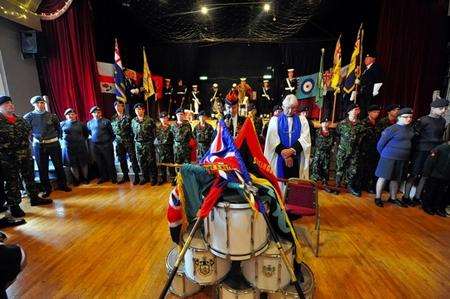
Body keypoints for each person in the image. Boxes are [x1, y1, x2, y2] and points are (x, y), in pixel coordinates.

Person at [402, 98, 449, 205]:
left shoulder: (443, 121)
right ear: (433, 108)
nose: (443, 111)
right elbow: (414, 137)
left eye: (445, 109)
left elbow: (441, 136)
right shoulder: (422, 120)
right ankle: (406, 196)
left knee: (425, 175)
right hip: (421, 151)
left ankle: (417, 197)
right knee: (414, 173)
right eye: (441, 108)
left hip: (434, 151)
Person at [24, 96, 71, 197]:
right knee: (42, 168)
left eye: (42, 103)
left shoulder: (52, 116)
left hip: (53, 143)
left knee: (59, 165)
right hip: (39, 145)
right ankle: (47, 189)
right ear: (33, 105)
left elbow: (58, 129)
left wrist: (56, 138)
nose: (41, 105)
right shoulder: (29, 117)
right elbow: (26, 130)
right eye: (38, 103)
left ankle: (63, 185)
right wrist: (33, 139)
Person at [264, 94, 311, 182]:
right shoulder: (275, 120)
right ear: (282, 106)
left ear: (297, 107)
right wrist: (285, 155)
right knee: (280, 183)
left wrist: (291, 151)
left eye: (293, 108)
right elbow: (272, 140)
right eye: (287, 107)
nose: (289, 111)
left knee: (295, 184)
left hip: (296, 157)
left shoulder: (302, 120)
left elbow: (305, 139)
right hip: (279, 157)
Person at [374, 108, 415, 207]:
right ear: (399, 118)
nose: (409, 119)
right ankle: (378, 197)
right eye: (406, 117)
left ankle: (392, 198)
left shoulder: (410, 129)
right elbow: (380, 145)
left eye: (410, 117)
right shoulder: (391, 129)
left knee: (396, 179)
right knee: (383, 178)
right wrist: (385, 155)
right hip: (388, 158)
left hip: (403, 159)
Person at [335, 103, 366, 197]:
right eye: (354, 109)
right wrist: (337, 149)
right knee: (340, 168)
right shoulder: (342, 124)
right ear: (349, 112)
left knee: (353, 170)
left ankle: (349, 186)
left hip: (354, 151)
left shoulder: (361, 124)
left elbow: (362, 138)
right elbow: (337, 137)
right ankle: (337, 186)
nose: (357, 111)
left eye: (358, 109)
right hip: (342, 151)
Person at [111, 100, 140, 185]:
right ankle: (125, 176)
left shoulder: (129, 117)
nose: (118, 107)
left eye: (120, 106)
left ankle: (137, 177)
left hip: (129, 142)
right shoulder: (113, 118)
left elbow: (133, 130)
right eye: (117, 106)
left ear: (123, 107)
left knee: (133, 159)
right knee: (121, 160)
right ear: (115, 107)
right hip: (119, 143)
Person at [86, 106, 117, 184]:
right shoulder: (89, 123)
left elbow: (112, 134)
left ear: (100, 113)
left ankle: (113, 177)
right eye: (95, 112)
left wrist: (108, 142)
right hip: (95, 146)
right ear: (92, 114)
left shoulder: (106, 121)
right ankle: (104, 177)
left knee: (110, 162)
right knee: (99, 162)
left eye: (98, 112)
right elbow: (90, 133)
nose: (97, 114)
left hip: (106, 145)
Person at [60, 108, 90, 186]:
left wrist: (80, 140)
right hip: (68, 148)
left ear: (76, 115)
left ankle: (85, 178)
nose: (70, 116)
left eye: (72, 114)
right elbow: (59, 134)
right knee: (72, 164)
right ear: (65, 116)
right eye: (68, 114)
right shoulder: (62, 124)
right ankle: (77, 180)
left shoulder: (81, 124)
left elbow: (86, 134)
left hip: (80, 146)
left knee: (83, 163)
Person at [421, 140, 450, 217]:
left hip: (446, 176)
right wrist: (426, 173)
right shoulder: (440, 148)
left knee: (441, 193)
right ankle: (426, 206)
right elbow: (430, 162)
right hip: (434, 175)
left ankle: (437, 208)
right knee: (431, 191)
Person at [131, 103, 157, 185]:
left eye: (140, 109)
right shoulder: (133, 121)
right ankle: (145, 177)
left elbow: (155, 132)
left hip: (148, 143)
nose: (139, 111)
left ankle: (153, 178)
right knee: (141, 162)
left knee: (151, 161)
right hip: (138, 144)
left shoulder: (150, 120)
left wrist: (152, 141)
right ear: (135, 111)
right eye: (137, 110)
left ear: (143, 110)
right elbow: (132, 132)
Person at [359, 104, 382, 193]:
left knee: (373, 169)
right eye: (374, 112)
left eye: (378, 112)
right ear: (369, 112)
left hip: (375, 149)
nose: (376, 114)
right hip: (365, 149)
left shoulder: (379, 123)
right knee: (363, 168)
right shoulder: (363, 122)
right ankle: (361, 185)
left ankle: (369, 186)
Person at [310, 118, 335, 191]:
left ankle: (325, 184)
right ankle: (313, 184)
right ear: (321, 123)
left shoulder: (331, 133)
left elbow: (333, 142)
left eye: (327, 122)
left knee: (326, 168)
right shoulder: (317, 132)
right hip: (318, 153)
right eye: (324, 122)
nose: (325, 124)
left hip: (326, 154)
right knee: (315, 168)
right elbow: (314, 142)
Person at [356, 52, 383, 117]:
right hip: (364, 93)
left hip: (370, 93)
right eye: (365, 58)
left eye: (367, 58)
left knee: (368, 108)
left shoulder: (375, 67)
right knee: (363, 109)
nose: (365, 60)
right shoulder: (366, 69)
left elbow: (378, 79)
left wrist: (375, 91)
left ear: (373, 59)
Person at [154, 111, 175, 185]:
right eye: (162, 118)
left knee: (171, 165)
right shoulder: (157, 128)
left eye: (165, 118)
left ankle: (173, 179)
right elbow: (155, 138)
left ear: (167, 118)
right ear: (160, 119)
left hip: (169, 148)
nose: (164, 119)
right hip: (161, 149)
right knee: (162, 164)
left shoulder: (172, 128)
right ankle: (162, 178)